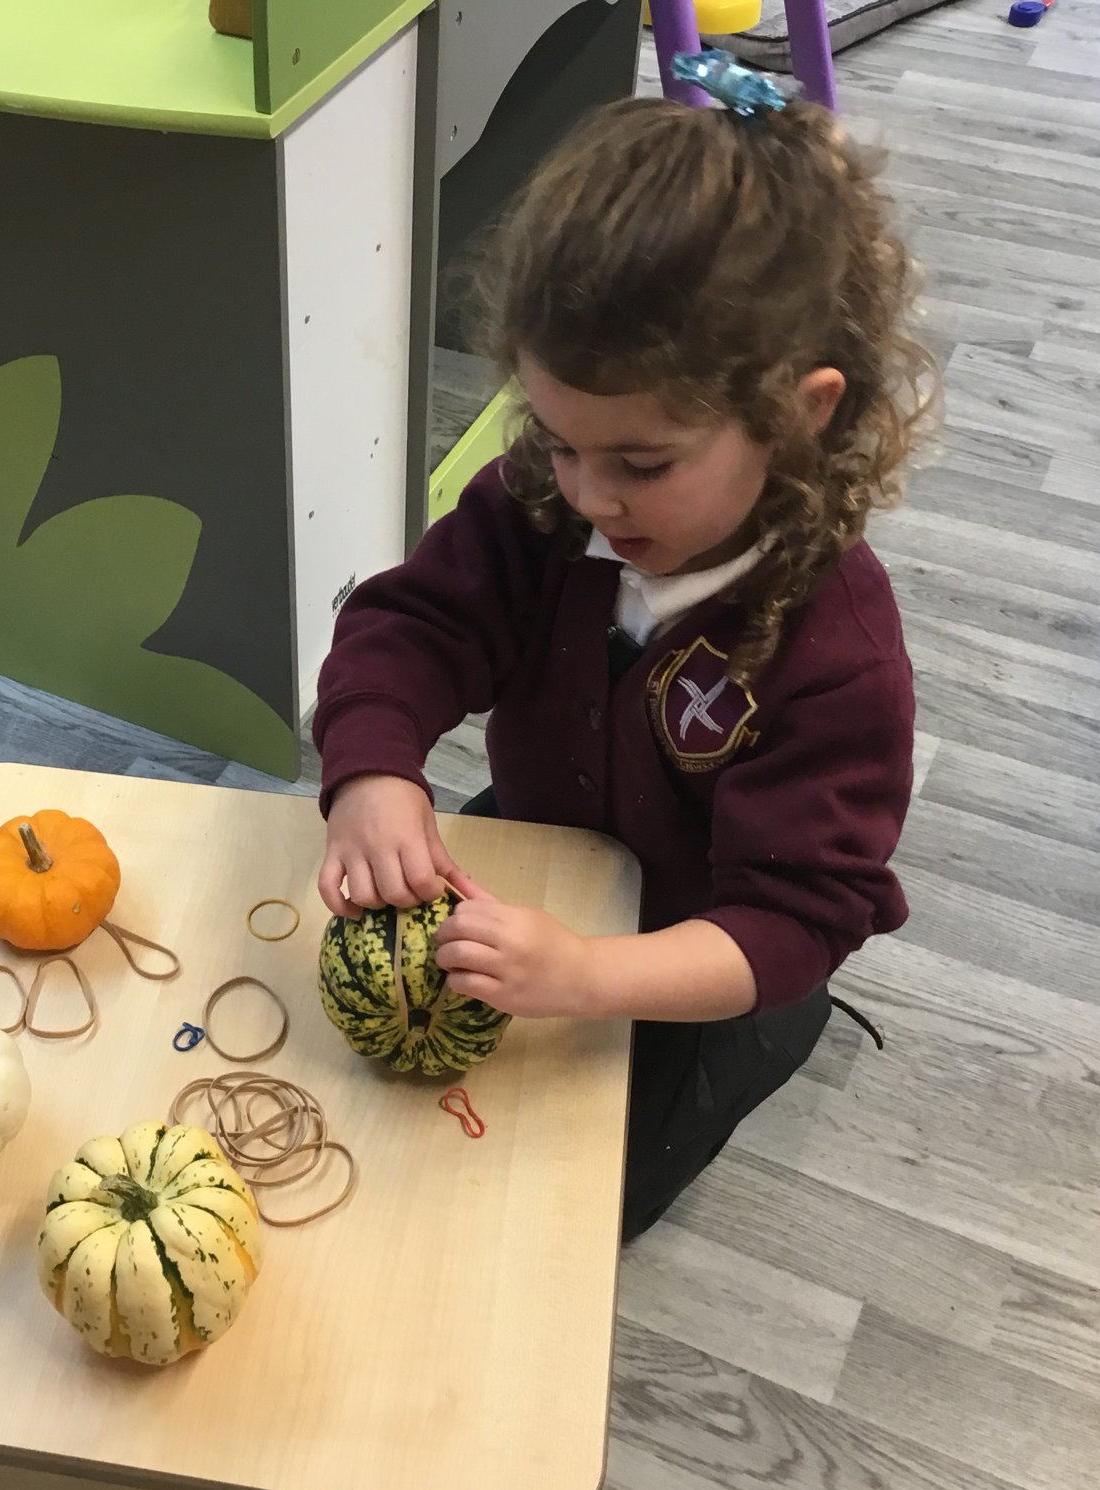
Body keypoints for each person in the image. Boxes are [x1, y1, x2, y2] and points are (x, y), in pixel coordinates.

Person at [312, 81, 940, 1242]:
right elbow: (414, 629)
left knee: (564, 1221)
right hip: (556, 840)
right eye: (556, 443)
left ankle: (773, 1042)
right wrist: (371, 770)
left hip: (707, 952)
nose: (590, 498)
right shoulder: (540, 510)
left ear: (799, 416)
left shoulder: (835, 652)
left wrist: (590, 978)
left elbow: (797, 911)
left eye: (641, 465)